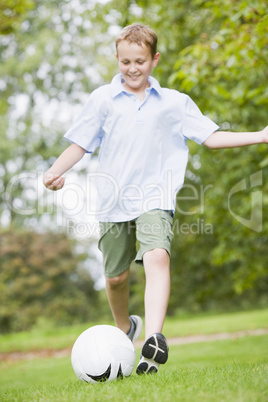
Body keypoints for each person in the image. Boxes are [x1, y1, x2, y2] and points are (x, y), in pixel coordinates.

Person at [43, 23, 268, 375]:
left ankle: (153, 340)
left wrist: (262, 135)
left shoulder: (174, 104)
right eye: (126, 62)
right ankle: (125, 329)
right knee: (115, 278)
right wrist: (54, 172)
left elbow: (211, 137)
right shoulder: (102, 99)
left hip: (155, 196)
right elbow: (80, 144)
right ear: (117, 59)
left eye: (140, 61)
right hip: (113, 200)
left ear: (154, 59)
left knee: (157, 256)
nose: (133, 69)